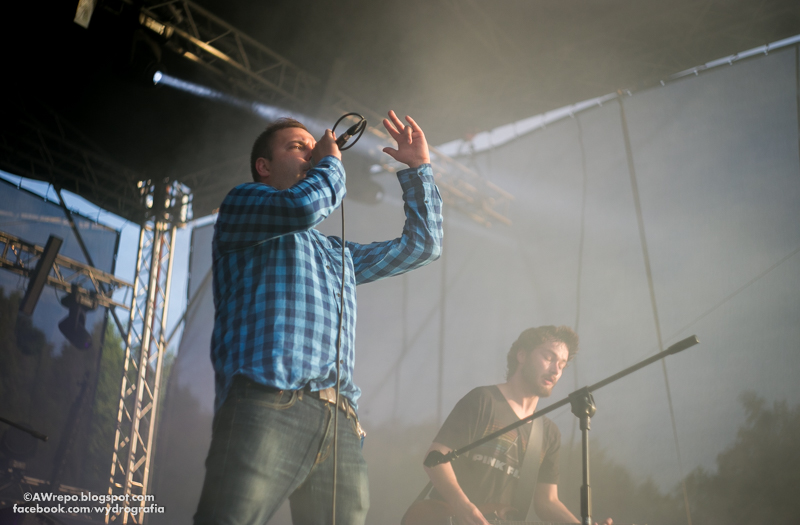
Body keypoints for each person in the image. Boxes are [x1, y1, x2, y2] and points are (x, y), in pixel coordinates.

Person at [194, 111, 443, 525]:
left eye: (314, 148)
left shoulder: (334, 253)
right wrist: (330, 161)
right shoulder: (242, 205)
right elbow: (303, 206)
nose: (312, 153)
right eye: (298, 147)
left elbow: (422, 246)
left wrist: (418, 170)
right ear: (264, 166)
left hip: (339, 422)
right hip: (268, 401)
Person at [420, 326, 612, 525]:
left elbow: (547, 501)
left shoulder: (549, 434)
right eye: (548, 358)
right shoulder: (483, 400)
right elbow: (435, 458)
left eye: (562, 365)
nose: (555, 371)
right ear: (522, 355)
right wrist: (464, 507)